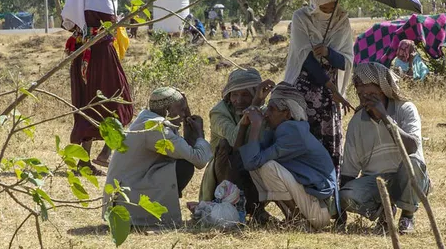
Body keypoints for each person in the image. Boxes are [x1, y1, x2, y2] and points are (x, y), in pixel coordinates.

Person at [62, 0, 133, 175]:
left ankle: (85, 161)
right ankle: (106, 153)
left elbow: (71, 23)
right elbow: (109, 23)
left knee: (87, 102)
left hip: (81, 53)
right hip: (101, 53)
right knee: (119, 98)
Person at [340, 62, 429, 235]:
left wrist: (385, 117)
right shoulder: (357, 123)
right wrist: (341, 214)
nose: (366, 99)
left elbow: (411, 147)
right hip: (376, 182)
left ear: (384, 89)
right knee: (346, 196)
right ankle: (384, 213)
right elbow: (348, 173)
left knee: (412, 163)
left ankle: (407, 216)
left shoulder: (405, 108)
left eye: (372, 93)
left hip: (409, 177)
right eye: (361, 94)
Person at [103, 87, 211, 228]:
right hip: (126, 199)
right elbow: (199, 159)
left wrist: (186, 118)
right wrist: (199, 133)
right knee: (184, 166)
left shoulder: (148, 118)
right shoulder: (157, 128)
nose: (184, 114)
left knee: (181, 161)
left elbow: (184, 147)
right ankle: (153, 215)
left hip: (126, 191)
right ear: (167, 110)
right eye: (181, 109)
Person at [239, 83, 338, 230]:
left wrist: (256, 125)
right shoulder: (282, 129)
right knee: (258, 166)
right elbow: (250, 160)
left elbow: (253, 161)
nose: (266, 113)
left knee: (267, 167)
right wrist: (246, 125)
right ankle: (293, 218)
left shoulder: (292, 131)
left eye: (272, 109)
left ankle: (300, 222)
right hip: (313, 206)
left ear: (287, 114)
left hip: (319, 210)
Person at [284, 0, 354, 175]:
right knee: (303, 143)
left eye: (333, 7)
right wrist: (334, 90)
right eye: (324, 8)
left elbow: (346, 61)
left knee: (328, 146)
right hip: (304, 91)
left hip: (328, 100)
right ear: (315, 2)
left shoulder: (342, 21)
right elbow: (304, 57)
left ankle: (329, 195)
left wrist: (328, 53)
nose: (329, 12)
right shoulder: (301, 18)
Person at [199, 68, 275, 220]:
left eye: (246, 95)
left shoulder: (264, 111)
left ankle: (255, 208)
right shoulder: (219, 112)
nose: (239, 100)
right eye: (235, 94)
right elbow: (234, 142)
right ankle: (230, 206)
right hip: (224, 172)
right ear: (228, 95)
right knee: (224, 146)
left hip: (251, 170)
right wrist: (253, 106)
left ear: (256, 94)